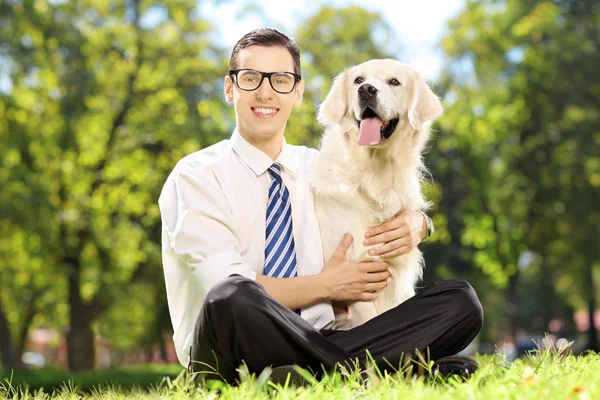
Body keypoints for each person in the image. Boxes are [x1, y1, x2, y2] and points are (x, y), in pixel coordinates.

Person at [158, 28, 483, 385]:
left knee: (460, 300)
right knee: (231, 295)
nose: (265, 92)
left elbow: (383, 202)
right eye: (251, 79)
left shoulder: (322, 168)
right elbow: (219, 283)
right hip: (230, 350)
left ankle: (321, 372)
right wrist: (325, 286)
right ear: (229, 88)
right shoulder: (196, 175)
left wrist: (419, 222)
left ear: (297, 92)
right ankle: (388, 367)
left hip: (325, 337)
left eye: (280, 80)